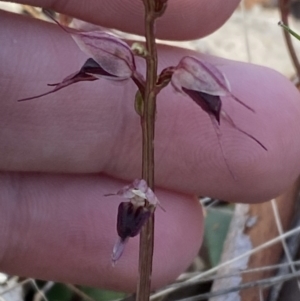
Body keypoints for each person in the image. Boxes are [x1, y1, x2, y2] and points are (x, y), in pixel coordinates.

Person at [0, 0, 300, 293]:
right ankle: (123, 241)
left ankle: (125, 239)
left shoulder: (174, 73)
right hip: (135, 70)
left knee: (224, 123)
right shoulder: (133, 66)